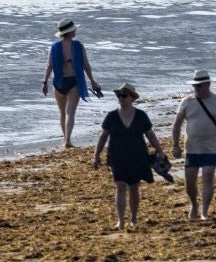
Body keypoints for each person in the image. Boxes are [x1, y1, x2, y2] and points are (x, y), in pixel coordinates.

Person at [92, 82, 161, 232]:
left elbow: (150, 134)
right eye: (119, 96)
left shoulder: (141, 115)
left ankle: (134, 218)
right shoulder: (111, 116)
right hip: (117, 156)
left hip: (137, 155)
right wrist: (96, 155)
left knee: (134, 187)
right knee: (120, 186)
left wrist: (159, 150)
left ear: (132, 98)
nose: (121, 98)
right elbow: (103, 137)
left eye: (124, 96)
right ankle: (121, 220)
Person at [171, 70, 216, 221]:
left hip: (211, 146)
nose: (196, 89)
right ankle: (194, 204)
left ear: (208, 85)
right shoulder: (187, 102)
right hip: (191, 147)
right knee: (190, 182)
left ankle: (205, 211)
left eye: (199, 86)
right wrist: (175, 145)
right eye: (195, 86)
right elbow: (177, 124)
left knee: (207, 177)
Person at [41, 19, 101, 148]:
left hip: (58, 83)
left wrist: (45, 82)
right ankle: (68, 140)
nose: (76, 31)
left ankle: (65, 140)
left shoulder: (54, 47)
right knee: (70, 113)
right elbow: (86, 65)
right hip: (73, 81)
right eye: (74, 29)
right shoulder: (78, 45)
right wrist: (92, 81)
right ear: (70, 31)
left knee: (62, 113)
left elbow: (49, 66)